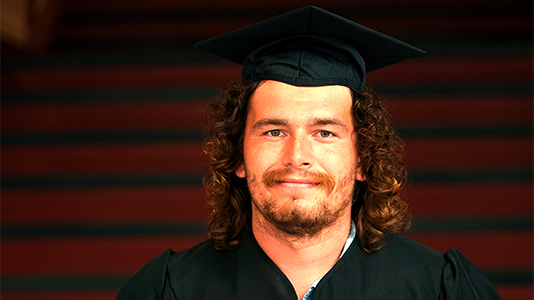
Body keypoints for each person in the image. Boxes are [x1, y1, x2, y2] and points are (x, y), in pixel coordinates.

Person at [116, 6, 502, 300]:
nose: (297, 155)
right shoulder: (170, 289)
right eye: (273, 130)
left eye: (324, 132)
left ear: (363, 160)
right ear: (236, 155)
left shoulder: (439, 289)